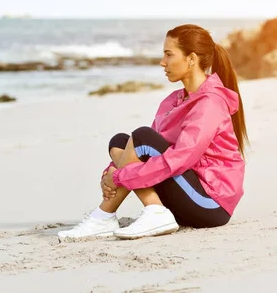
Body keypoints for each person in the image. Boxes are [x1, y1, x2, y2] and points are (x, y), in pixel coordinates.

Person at [58, 24, 249, 240]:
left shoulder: (210, 102)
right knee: (121, 141)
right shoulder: (173, 101)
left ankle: (104, 215)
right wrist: (109, 175)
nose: (162, 62)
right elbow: (139, 151)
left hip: (210, 203)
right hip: (184, 194)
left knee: (141, 138)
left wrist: (119, 177)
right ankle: (152, 209)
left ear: (191, 59)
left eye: (169, 54)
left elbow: (182, 158)